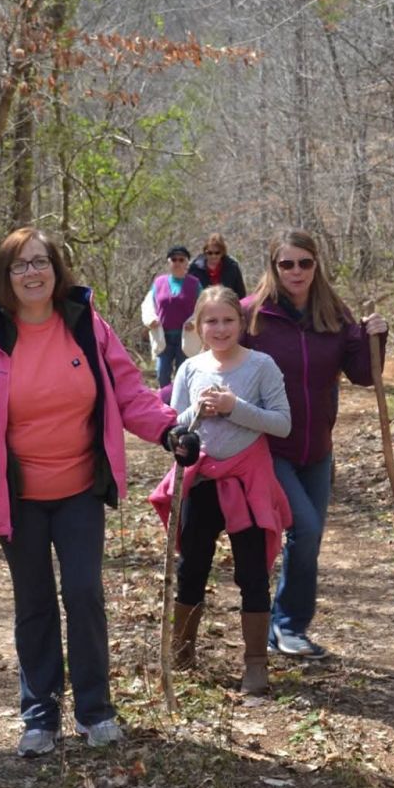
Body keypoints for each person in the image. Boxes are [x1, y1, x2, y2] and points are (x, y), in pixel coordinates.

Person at [0, 228, 198, 756]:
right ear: (5, 277)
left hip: (79, 487)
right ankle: (40, 715)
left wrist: (168, 430)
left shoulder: (86, 326)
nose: (32, 273)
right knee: (33, 602)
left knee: (83, 593)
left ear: (56, 270)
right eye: (19, 265)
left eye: (41, 262)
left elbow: (127, 390)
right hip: (18, 497)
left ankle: (95, 710)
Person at [242, 230, 387, 660]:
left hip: (318, 448)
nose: (296, 271)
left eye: (304, 262)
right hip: (269, 446)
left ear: (316, 264)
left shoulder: (333, 313)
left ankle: (285, 627)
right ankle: (285, 625)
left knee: (310, 535)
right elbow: (220, 361)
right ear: (273, 267)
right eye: (286, 264)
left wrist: (374, 337)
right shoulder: (252, 315)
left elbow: (363, 374)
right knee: (303, 530)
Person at [149, 286, 292, 694]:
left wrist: (235, 408)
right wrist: (197, 412)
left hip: (248, 482)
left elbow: (282, 423)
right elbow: (175, 424)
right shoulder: (189, 369)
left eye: (228, 320)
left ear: (241, 323)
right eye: (211, 321)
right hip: (201, 482)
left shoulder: (261, 366)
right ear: (197, 326)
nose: (220, 328)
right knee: (192, 566)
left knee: (252, 571)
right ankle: (182, 653)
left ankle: (256, 664)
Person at [147, 245, 202, 387]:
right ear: (168, 262)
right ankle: (164, 398)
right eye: (174, 259)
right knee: (162, 373)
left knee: (182, 375)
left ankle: (179, 399)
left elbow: (203, 307)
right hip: (163, 337)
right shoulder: (159, 282)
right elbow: (148, 305)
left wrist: (194, 322)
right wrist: (150, 319)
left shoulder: (194, 284)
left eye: (181, 260)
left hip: (186, 337)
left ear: (187, 262)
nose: (177, 263)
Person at [186, 232, 248, 298]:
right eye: (210, 253)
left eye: (217, 253)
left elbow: (241, 294)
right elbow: (188, 293)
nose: (213, 256)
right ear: (205, 252)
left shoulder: (232, 267)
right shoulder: (195, 269)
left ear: (223, 252)